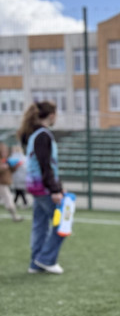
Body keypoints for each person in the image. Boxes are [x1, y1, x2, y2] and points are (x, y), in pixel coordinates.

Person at [17, 101, 66, 274]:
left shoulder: (34, 134)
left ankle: (35, 264)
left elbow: (45, 166)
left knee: (40, 224)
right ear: (51, 115)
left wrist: (58, 187)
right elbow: (46, 166)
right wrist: (55, 190)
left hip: (36, 187)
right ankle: (46, 259)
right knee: (63, 222)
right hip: (44, 188)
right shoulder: (43, 135)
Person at [0, 143, 23, 222]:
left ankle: (15, 216)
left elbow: (10, 171)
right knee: (9, 200)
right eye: (3, 151)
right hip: (1, 184)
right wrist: (3, 168)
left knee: (9, 199)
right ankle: (15, 217)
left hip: (5, 183)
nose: (5, 153)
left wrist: (15, 167)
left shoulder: (6, 160)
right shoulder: (2, 161)